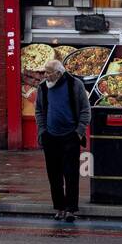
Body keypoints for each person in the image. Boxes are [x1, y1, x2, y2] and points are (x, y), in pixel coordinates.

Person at [34, 59, 90, 221]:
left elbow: (86, 110)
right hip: (50, 137)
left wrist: (79, 132)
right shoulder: (43, 87)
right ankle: (59, 208)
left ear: (59, 73)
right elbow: (39, 110)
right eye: (45, 71)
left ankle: (71, 209)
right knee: (54, 176)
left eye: (48, 72)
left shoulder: (75, 85)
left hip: (70, 137)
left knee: (71, 175)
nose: (45, 75)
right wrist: (42, 131)